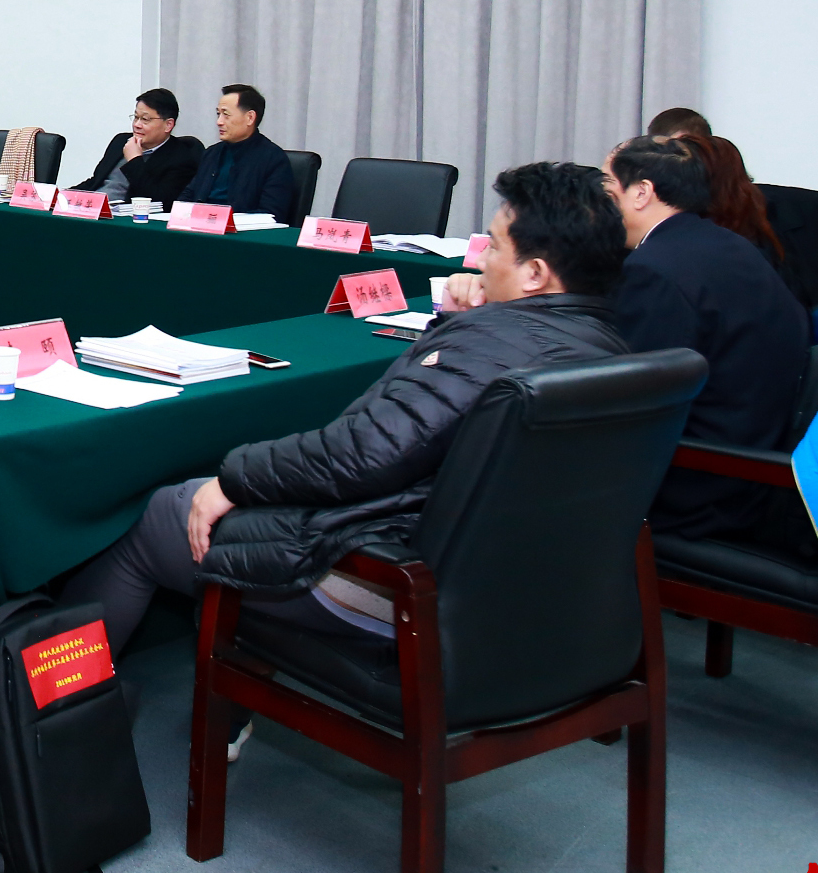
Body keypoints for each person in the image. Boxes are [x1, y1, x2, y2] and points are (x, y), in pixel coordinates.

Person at [66, 161, 631, 657]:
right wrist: (460, 323)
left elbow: (362, 455)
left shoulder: (492, 344)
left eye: (495, 247)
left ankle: (61, 711)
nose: (479, 258)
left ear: (534, 274)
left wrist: (233, 479)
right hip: (533, 589)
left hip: (403, 584)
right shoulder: (611, 348)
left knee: (158, 512)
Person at [601, 134, 809, 540]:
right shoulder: (732, 246)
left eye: (609, 190)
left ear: (641, 193)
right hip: (755, 472)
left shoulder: (653, 270)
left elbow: (631, 403)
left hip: (697, 490)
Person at [175, 84, 297, 218]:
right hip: (201, 226)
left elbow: (271, 214)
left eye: (226, 115)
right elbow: (189, 195)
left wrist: (222, 219)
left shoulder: (273, 159)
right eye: (218, 114)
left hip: (240, 229)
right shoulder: (212, 153)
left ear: (250, 118)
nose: (219, 122)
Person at [74, 88, 206, 204]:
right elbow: (96, 181)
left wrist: (134, 160)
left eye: (145, 119)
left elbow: (158, 200)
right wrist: (65, 196)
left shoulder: (181, 157)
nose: (137, 125)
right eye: (136, 117)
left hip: (125, 218)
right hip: (93, 209)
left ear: (168, 125)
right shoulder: (121, 141)